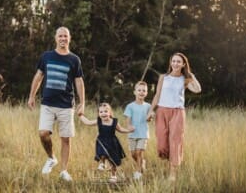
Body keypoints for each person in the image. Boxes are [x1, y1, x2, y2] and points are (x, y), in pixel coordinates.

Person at [27, 26, 85, 182]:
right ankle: (51, 157)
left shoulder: (74, 59)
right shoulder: (46, 56)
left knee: (66, 138)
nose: (63, 39)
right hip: (47, 103)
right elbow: (38, 76)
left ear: (69, 38)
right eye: (60, 36)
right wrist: (32, 96)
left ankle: (64, 171)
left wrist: (83, 102)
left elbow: (79, 82)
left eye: (65, 36)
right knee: (43, 133)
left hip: (66, 105)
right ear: (55, 38)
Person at [147, 52, 201, 181]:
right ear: (170, 63)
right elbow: (157, 95)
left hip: (177, 112)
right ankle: (168, 164)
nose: (175, 63)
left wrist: (192, 76)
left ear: (183, 64)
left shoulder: (185, 79)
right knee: (162, 144)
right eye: (173, 61)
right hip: (162, 111)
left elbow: (197, 89)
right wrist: (150, 111)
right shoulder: (163, 77)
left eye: (178, 62)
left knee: (175, 141)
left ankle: (172, 173)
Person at [78, 103, 134, 183]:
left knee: (113, 160)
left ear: (110, 113)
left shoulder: (114, 122)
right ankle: (102, 163)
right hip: (102, 141)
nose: (103, 113)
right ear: (98, 113)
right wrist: (80, 116)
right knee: (102, 152)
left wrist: (129, 130)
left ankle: (113, 176)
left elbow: (121, 129)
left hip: (112, 143)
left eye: (105, 111)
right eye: (101, 112)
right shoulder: (99, 121)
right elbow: (88, 122)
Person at [123, 81, 151, 180]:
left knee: (139, 152)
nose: (141, 92)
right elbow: (128, 119)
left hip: (143, 133)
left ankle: (138, 172)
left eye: (144, 91)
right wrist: (129, 126)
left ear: (146, 93)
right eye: (139, 90)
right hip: (132, 134)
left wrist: (150, 118)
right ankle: (142, 162)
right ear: (135, 92)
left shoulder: (148, 106)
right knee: (133, 154)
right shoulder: (130, 106)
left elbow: (150, 117)